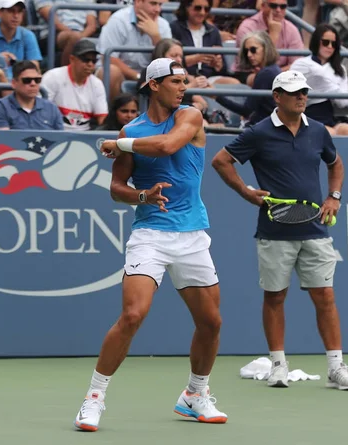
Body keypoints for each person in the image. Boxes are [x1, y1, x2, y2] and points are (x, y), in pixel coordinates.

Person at [74, 58, 228, 432]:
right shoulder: (133, 128)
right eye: (176, 81)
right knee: (132, 315)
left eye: (185, 81)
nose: (183, 87)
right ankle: (93, 398)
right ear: (154, 85)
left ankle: (195, 394)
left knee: (210, 322)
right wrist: (142, 196)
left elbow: (166, 146)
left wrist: (118, 142)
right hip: (151, 235)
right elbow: (117, 189)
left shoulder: (190, 116)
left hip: (192, 236)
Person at [211, 70, 348, 392]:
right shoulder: (258, 133)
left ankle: (336, 367)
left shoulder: (319, 131)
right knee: (275, 297)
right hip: (274, 231)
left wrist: (334, 197)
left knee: (326, 297)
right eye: (294, 93)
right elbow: (221, 161)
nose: (301, 97)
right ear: (277, 97)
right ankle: (278, 365)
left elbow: (335, 163)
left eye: (304, 92)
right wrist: (246, 192)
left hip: (316, 231)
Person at [96, 0, 172, 99]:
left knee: (171, 77)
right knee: (112, 71)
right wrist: (139, 77)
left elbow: (168, 63)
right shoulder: (117, 20)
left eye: (160, 4)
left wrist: (156, 37)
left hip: (150, 78)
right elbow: (109, 59)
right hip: (122, 76)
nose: (158, 9)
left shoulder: (163, 25)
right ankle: (110, 114)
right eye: (153, 3)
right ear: (138, 2)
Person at [290, 24, 348, 136]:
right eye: (325, 42)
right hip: (305, 115)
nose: (330, 46)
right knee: (328, 132)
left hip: (328, 115)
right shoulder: (301, 64)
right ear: (316, 42)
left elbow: (343, 102)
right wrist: (331, 88)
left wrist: (324, 84)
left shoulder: (340, 69)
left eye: (334, 44)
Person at [41, 38, 108, 130]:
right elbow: (41, 112)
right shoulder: (53, 77)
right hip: (55, 133)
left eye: (94, 61)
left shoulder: (97, 84)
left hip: (85, 137)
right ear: (72, 59)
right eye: (86, 60)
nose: (90, 64)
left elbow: (102, 118)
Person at [217, 31, 280, 125]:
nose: (249, 55)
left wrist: (217, 97)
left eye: (253, 50)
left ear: (266, 49)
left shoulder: (266, 73)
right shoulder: (273, 69)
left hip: (264, 128)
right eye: (246, 51)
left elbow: (246, 110)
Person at [170, 0, 239, 85]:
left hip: (209, 78)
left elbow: (223, 69)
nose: (202, 12)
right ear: (186, 7)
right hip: (184, 76)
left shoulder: (213, 31)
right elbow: (170, 60)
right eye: (197, 8)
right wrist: (196, 58)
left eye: (206, 9)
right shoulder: (174, 28)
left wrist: (218, 64)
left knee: (234, 83)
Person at [0, 61, 64, 130]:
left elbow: (60, 139)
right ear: (14, 83)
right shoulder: (0, 107)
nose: (33, 84)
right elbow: (2, 140)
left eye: (37, 80)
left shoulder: (51, 108)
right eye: (27, 80)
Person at [235, 0, 303, 71]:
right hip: (250, 74)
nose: (278, 10)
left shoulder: (291, 29)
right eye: (273, 6)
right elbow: (251, 64)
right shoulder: (247, 27)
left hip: (283, 76)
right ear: (263, 6)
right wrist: (274, 35)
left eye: (283, 7)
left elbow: (297, 64)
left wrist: (277, 74)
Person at [0, 0, 42, 79]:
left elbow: (35, 67)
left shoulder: (28, 35)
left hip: (18, 86)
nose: (16, 16)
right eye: (11, 11)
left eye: (20, 11)